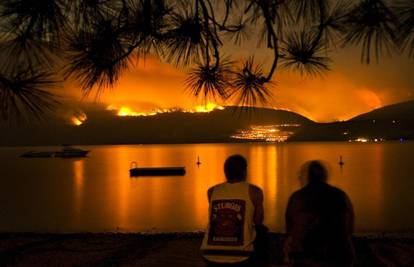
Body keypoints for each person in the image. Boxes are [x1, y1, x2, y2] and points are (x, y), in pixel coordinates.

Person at [285, 160, 355, 267]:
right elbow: (349, 226)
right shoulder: (339, 195)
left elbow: (291, 228)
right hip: (336, 256)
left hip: (305, 257)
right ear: (324, 176)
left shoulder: (297, 198)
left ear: (307, 177)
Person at [201, 154, 267, 266]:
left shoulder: (212, 191)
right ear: (245, 171)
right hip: (241, 254)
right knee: (263, 231)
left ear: (225, 172)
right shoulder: (254, 191)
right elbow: (258, 221)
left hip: (209, 252)